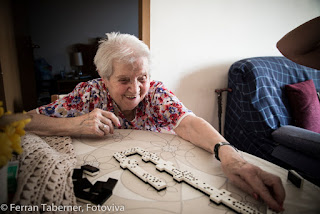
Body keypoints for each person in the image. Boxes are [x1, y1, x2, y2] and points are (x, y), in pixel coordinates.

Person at [26, 32, 285, 212]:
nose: (136, 89)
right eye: (124, 80)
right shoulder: (90, 93)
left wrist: (230, 156)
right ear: (104, 79)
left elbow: (188, 122)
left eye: (142, 77)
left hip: (156, 174)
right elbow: (18, 121)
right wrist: (75, 124)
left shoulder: (156, 93)